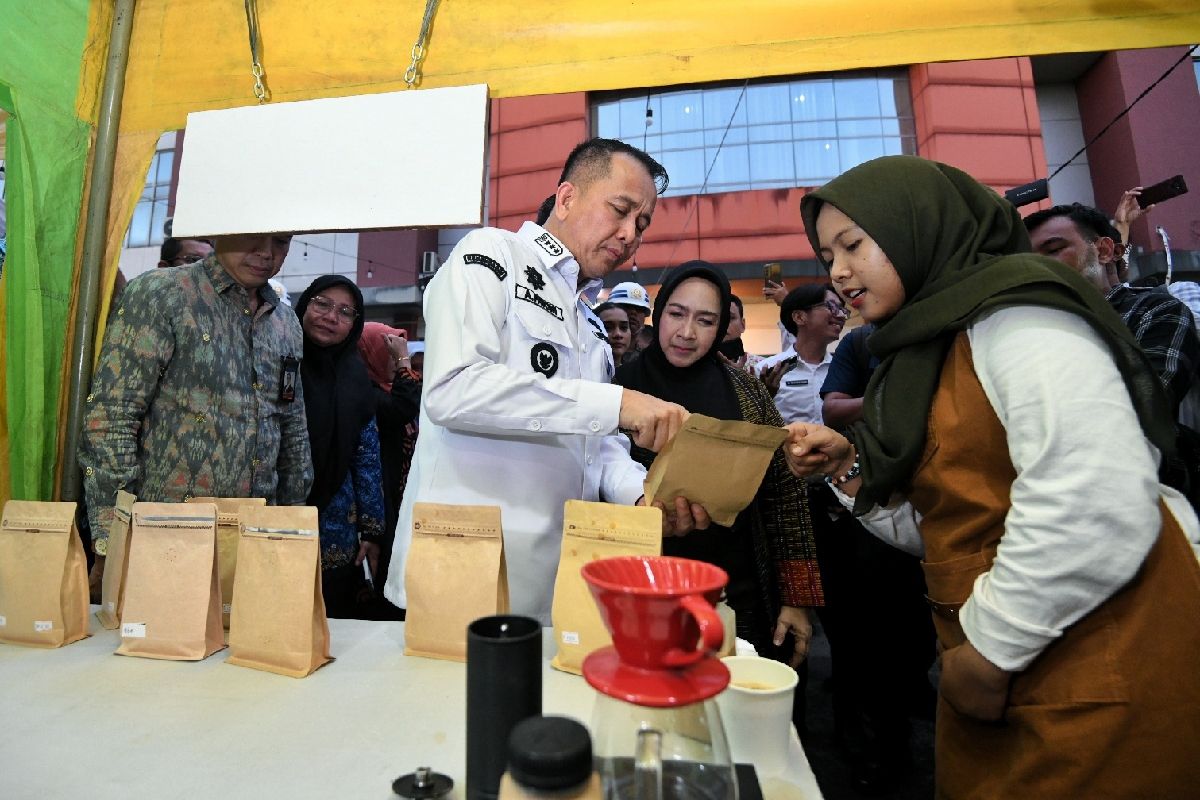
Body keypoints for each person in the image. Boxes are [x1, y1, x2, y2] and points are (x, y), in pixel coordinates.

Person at [784, 155, 1200, 798]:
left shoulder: (1020, 319)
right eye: (827, 254)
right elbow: (958, 522)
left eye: (853, 244)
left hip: (1094, 671)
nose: (837, 272)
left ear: (917, 227)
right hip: (997, 670)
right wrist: (849, 469)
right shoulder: (927, 348)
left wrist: (994, 650)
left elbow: (1097, 496)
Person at [383, 138, 710, 624]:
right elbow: (453, 389)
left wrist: (642, 496)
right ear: (567, 198)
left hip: (552, 588)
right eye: (619, 210)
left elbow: (594, 447)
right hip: (458, 574)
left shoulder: (591, 323)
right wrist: (616, 403)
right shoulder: (493, 254)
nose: (629, 234)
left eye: (642, 225)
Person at [614, 261, 823, 665]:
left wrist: (798, 599)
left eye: (706, 320)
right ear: (658, 315)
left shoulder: (747, 392)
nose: (687, 333)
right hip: (645, 596)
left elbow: (785, 495)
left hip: (739, 596)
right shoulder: (618, 389)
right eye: (676, 314)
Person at [81, 233, 313, 586]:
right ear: (220, 230)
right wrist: (112, 536)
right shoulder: (163, 294)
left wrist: (291, 526)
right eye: (253, 236)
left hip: (255, 540)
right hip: (166, 538)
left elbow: (292, 428)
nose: (266, 253)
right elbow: (112, 417)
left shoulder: (285, 323)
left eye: (280, 241)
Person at [1024, 203, 1200, 416]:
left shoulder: (1154, 311)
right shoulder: (1028, 330)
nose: (1038, 266)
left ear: (1105, 251)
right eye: (1028, 260)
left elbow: (1143, 405)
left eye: (1053, 250)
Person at [295, 276, 387, 619]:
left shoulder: (355, 377)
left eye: (346, 312)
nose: (331, 317)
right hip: (273, 514)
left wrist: (372, 531)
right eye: (322, 304)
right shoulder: (277, 360)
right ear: (304, 305)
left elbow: (367, 458)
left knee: (331, 620)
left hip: (336, 528)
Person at [357, 321, 422, 606]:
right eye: (389, 352)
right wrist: (403, 361)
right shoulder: (367, 392)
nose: (394, 360)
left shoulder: (386, 388)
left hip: (400, 492)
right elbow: (404, 408)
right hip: (381, 496)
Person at [754, 284, 847, 423]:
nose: (841, 315)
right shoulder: (767, 369)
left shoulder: (844, 370)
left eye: (842, 309)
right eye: (831, 306)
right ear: (799, 317)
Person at [607, 280, 652, 347]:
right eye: (626, 307)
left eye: (639, 308)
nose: (633, 312)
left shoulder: (658, 345)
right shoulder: (597, 344)